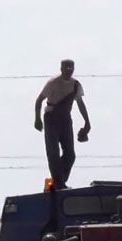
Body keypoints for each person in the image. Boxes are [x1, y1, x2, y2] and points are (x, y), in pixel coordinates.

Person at [34, 59, 90, 190]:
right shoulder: (53, 83)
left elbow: (80, 103)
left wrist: (87, 122)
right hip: (51, 118)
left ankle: (59, 181)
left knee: (70, 155)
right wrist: (37, 119)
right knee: (53, 153)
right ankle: (59, 183)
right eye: (66, 69)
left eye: (71, 69)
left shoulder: (75, 85)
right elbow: (39, 100)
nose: (68, 72)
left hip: (65, 119)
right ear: (61, 69)